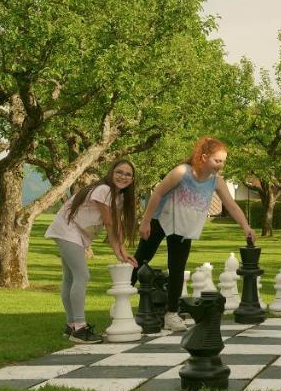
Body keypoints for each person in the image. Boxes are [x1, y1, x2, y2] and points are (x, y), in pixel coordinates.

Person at [134, 136, 255, 332]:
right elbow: (157, 193)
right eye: (217, 160)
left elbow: (231, 205)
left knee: (177, 268)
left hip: (184, 228)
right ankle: (120, 301)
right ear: (204, 157)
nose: (221, 165)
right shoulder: (182, 172)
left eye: (223, 161)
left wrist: (245, 226)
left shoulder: (217, 181)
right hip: (161, 220)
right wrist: (146, 221)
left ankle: (171, 314)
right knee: (141, 259)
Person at [44, 159, 139, 344]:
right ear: (111, 172)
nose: (123, 176)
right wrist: (117, 252)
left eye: (128, 174)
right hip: (68, 229)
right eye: (119, 172)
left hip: (75, 231)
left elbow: (117, 224)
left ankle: (72, 325)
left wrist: (122, 251)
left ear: (133, 179)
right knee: (82, 275)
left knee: (70, 278)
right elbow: (109, 223)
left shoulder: (118, 197)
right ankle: (79, 328)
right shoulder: (104, 190)